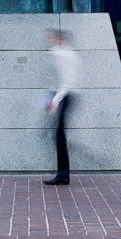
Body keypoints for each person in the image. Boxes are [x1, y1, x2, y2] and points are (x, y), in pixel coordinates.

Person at [43, 29, 80, 185]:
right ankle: (63, 174)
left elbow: (67, 82)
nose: (50, 40)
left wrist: (55, 100)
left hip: (65, 96)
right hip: (67, 96)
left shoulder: (62, 55)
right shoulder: (69, 54)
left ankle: (63, 174)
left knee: (59, 136)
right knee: (59, 135)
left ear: (60, 40)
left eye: (53, 38)